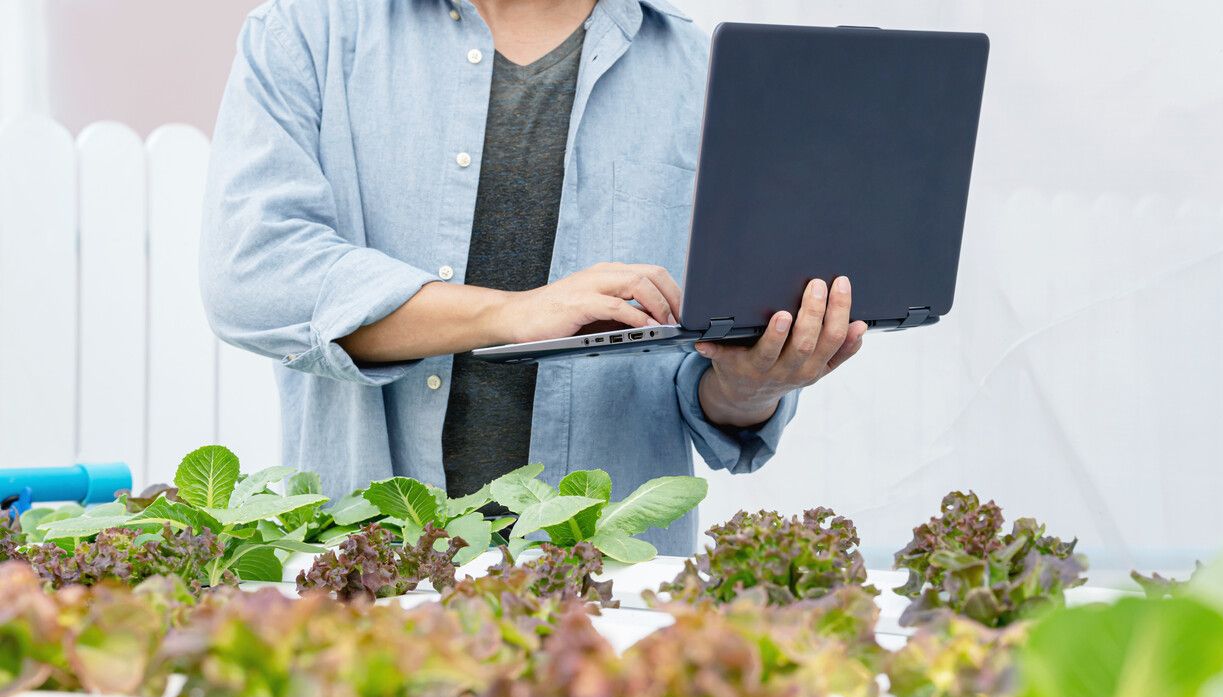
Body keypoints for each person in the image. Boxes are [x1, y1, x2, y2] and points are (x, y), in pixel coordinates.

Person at [200, 0, 868, 555]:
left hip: (606, 610)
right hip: (370, 589)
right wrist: (508, 313)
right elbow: (253, 271)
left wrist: (750, 388)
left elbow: (707, 378)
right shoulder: (306, 33)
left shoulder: (699, 73)